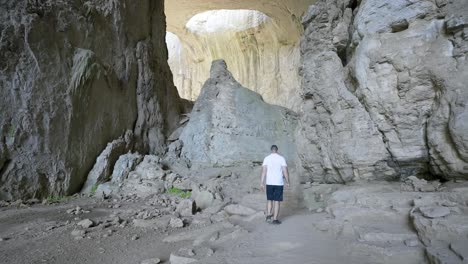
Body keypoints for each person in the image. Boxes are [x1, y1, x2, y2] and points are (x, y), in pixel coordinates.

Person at [260, 145, 290, 225]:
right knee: (277, 201)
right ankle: (275, 219)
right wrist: (287, 182)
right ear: (277, 150)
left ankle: (269, 215)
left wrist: (261, 183)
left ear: (271, 150)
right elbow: (285, 171)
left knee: (269, 200)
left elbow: (264, 171)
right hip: (278, 183)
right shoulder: (281, 158)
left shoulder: (266, 158)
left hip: (269, 183)